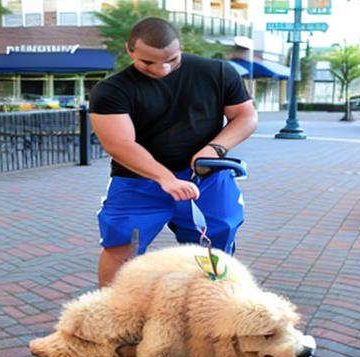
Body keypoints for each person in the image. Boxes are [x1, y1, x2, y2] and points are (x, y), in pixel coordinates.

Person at [89, 17, 257, 287]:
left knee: (215, 245)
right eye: (148, 62)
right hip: (139, 180)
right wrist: (165, 178)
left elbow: (245, 116)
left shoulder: (218, 72)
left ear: (181, 47)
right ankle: (111, 310)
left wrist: (215, 149)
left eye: (172, 60)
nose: (162, 69)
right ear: (130, 51)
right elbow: (119, 144)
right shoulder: (111, 90)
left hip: (206, 176)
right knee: (122, 246)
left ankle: (211, 303)